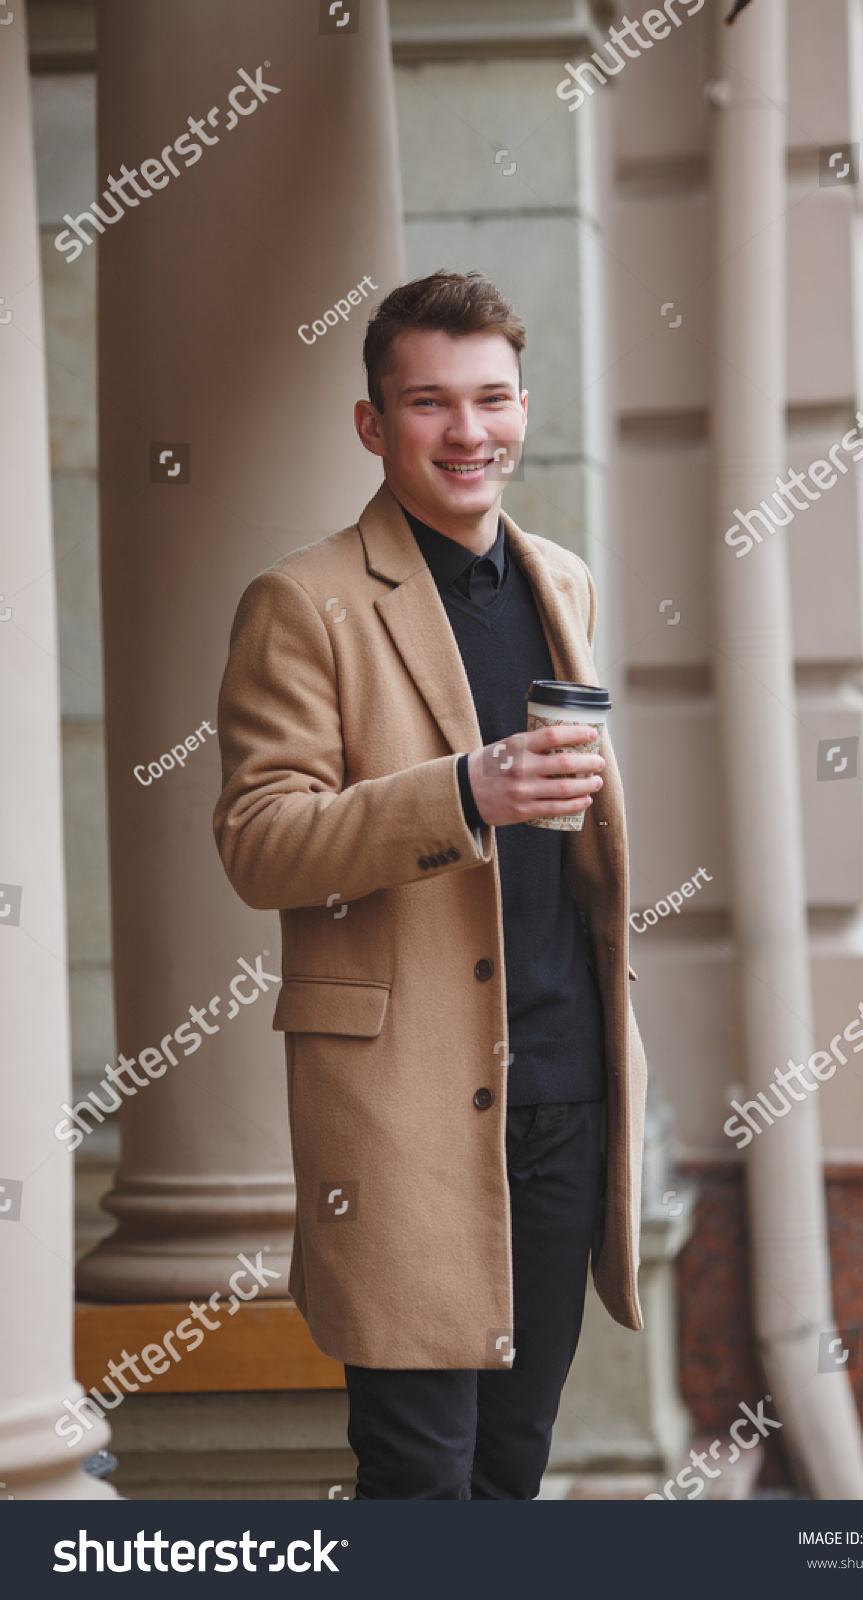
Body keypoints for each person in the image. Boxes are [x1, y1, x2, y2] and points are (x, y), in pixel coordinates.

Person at [213, 269, 647, 1499]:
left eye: (492, 398)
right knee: (418, 1476)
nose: (469, 432)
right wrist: (463, 793)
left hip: (566, 1085)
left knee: (512, 1466)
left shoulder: (561, 580)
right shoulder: (302, 603)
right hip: (400, 1109)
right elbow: (258, 839)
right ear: (372, 423)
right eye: (428, 403)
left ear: (522, 406)